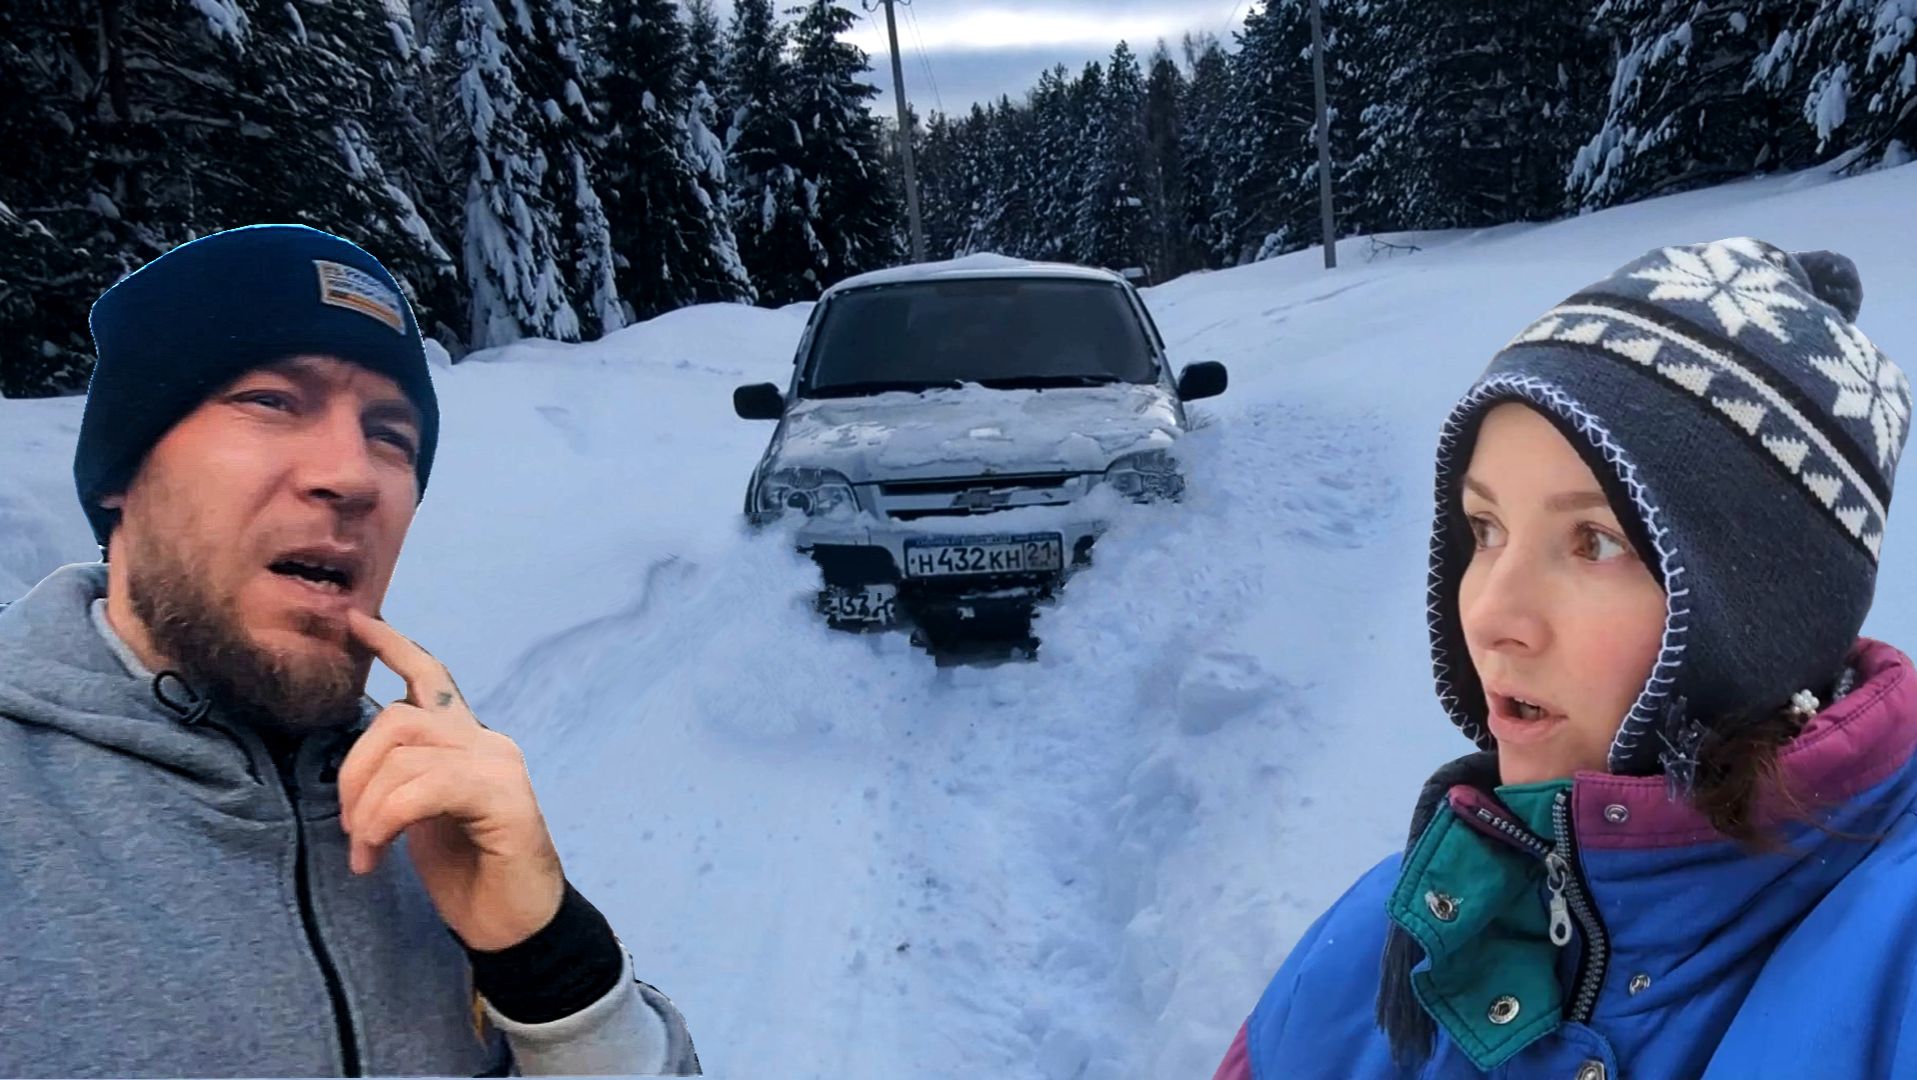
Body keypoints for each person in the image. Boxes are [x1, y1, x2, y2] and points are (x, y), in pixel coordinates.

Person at [0, 225, 700, 1077]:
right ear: (120, 470)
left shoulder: (426, 809)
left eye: (391, 437)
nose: (353, 475)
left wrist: (550, 967)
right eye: (270, 401)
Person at [1213, 237, 1915, 1078]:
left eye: (1593, 541)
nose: (1491, 616)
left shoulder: (1890, 963)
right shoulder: (1392, 938)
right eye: (1484, 530)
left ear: (1761, 607)